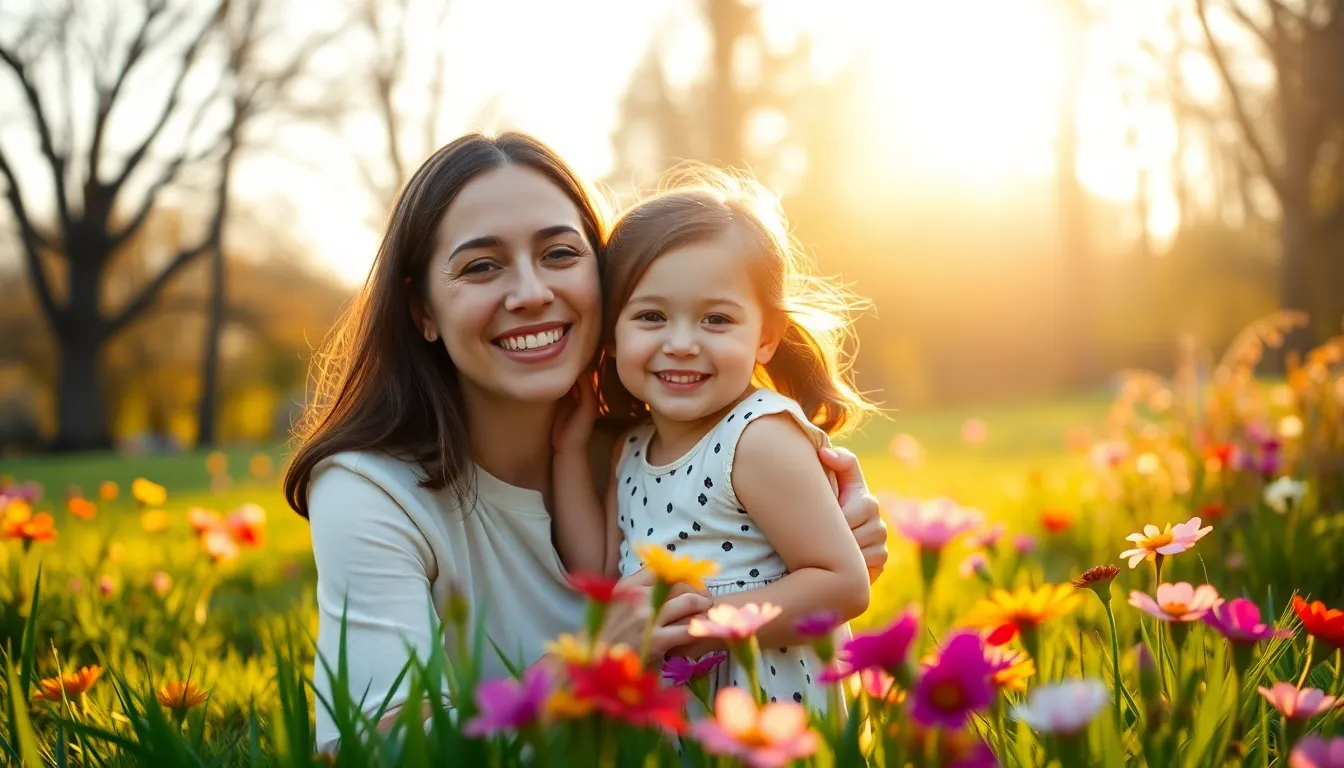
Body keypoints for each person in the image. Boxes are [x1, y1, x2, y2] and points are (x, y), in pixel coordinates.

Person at [282, 132, 889, 750]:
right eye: (481, 266)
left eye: (560, 253)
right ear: (423, 312)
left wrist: (834, 527)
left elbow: (817, 568)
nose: (531, 293)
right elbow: (376, 752)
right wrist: (585, 669)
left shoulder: (664, 437)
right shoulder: (370, 490)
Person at [550, 168, 875, 712]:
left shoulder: (757, 437)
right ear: (612, 332)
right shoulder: (631, 448)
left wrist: (701, 630)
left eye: (716, 319)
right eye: (651, 316)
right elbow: (600, 574)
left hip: (766, 706)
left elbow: (844, 584)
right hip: (680, 716)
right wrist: (567, 451)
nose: (681, 343)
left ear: (765, 338)